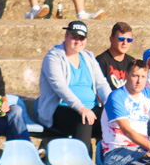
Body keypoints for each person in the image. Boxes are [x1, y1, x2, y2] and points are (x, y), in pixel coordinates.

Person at [36, 21, 111, 154]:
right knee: (84, 120)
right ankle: (83, 162)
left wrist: (112, 105)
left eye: (81, 38)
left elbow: (102, 84)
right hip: (61, 109)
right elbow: (59, 86)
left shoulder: (89, 57)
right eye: (74, 37)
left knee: (115, 120)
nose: (77, 41)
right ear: (66, 36)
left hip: (90, 108)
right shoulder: (53, 57)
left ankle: (114, 161)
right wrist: (81, 108)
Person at [96, 22, 136, 90]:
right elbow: (97, 89)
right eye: (121, 39)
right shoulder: (100, 61)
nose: (125, 43)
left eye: (129, 40)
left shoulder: (132, 62)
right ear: (111, 39)